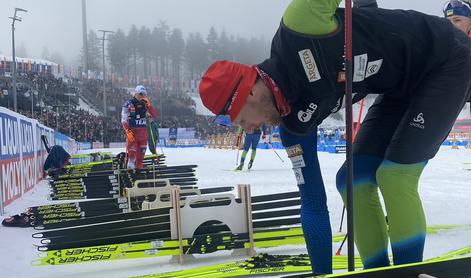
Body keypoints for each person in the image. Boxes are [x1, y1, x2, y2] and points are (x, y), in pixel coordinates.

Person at [199, 0, 471, 274]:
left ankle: (407, 273)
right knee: (351, 181)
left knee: (395, 177)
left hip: (445, 59)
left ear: (249, 93)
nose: (249, 129)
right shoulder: (293, 128)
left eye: (243, 119)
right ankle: (378, 272)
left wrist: (366, 9)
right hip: (399, 87)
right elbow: (313, 205)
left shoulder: (300, 26)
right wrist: (321, 275)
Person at [121, 85, 158, 169]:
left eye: (144, 94)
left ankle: (140, 174)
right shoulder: (128, 104)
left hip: (143, 135)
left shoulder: (145, 104)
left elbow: (154, 115)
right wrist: (127, 131)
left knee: (140, 158)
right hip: (132, 134)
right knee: (132, 157)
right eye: (141, 94)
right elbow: (123, 120)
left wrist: (149, 106)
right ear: (136, 93)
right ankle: (130, 171)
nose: (142, 96)